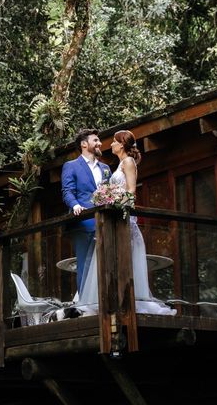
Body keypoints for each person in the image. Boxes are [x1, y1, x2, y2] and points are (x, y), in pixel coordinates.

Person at [76, 130, 176, 316]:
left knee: (123, 259)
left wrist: (114, 202)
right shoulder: (120, 164)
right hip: (115, 220)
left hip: (124, 220)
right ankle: (112, 300)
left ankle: (125, 302)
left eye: (114, 142)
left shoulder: (128, 162)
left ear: (121, 145)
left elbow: (131, 193)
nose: (111, 145)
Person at [61, 129, 111, 293]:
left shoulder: (105, 168)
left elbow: (110, 192)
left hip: (105, 223)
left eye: (99, 141)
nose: (99, 143)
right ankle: (85, 305)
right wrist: (75, 205)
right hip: (83, 223)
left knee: (107, 264)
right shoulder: (71, 166)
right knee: (86, 264)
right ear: (84, 144)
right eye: (95, 140)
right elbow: (67, 191)